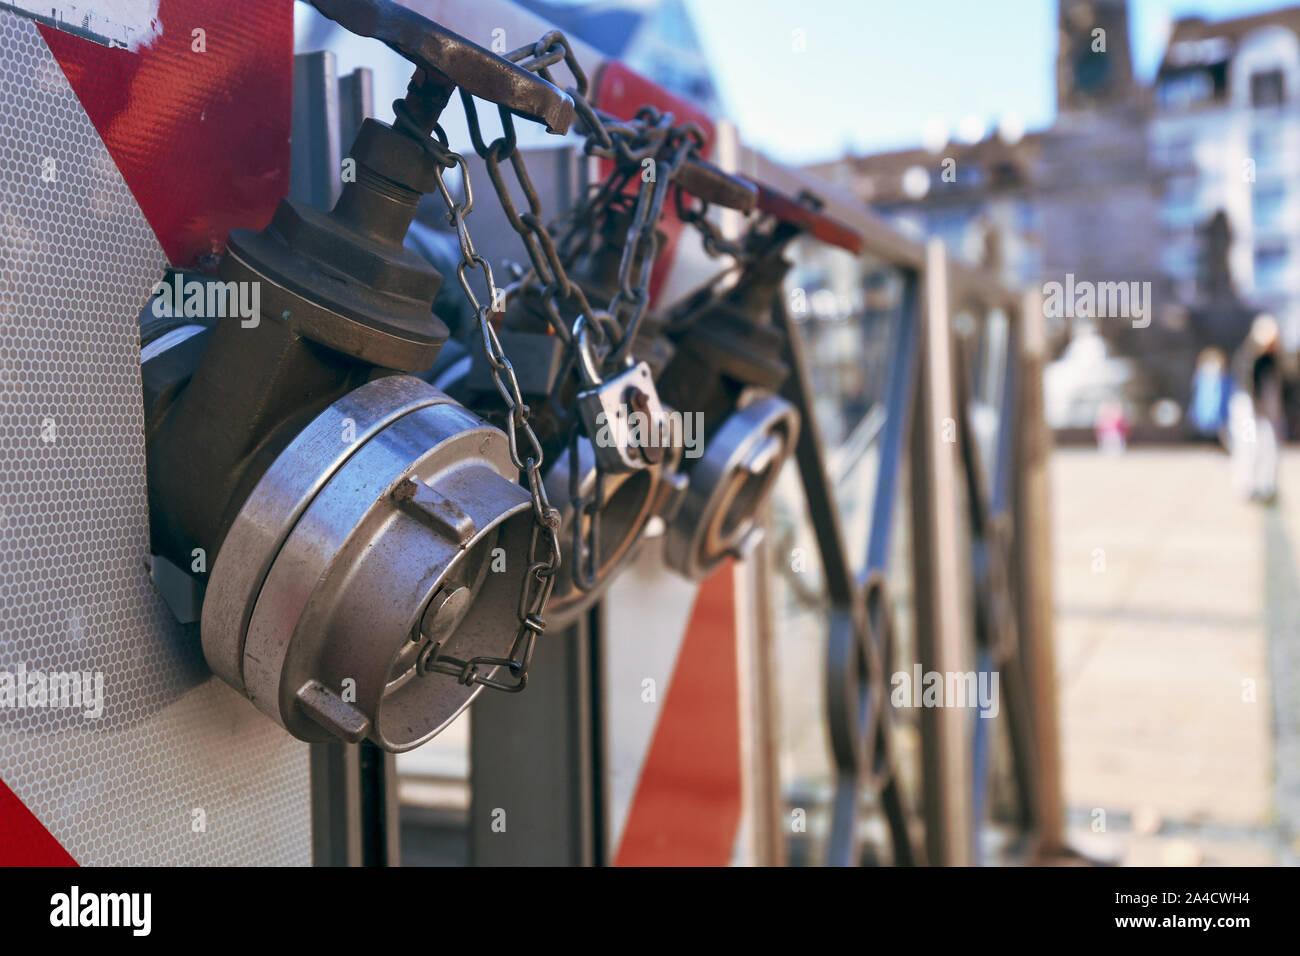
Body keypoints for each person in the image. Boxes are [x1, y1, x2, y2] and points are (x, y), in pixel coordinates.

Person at [1230, 315, 1285, 503]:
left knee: (1269, 446)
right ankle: (1247, 486)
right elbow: (1247, 383)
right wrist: (1257, 406)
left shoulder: (1271, 358)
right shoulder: (1249, 355)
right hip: (1248, 409)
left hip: (1264, 410)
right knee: (1248, 447)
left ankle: (1266, 485)